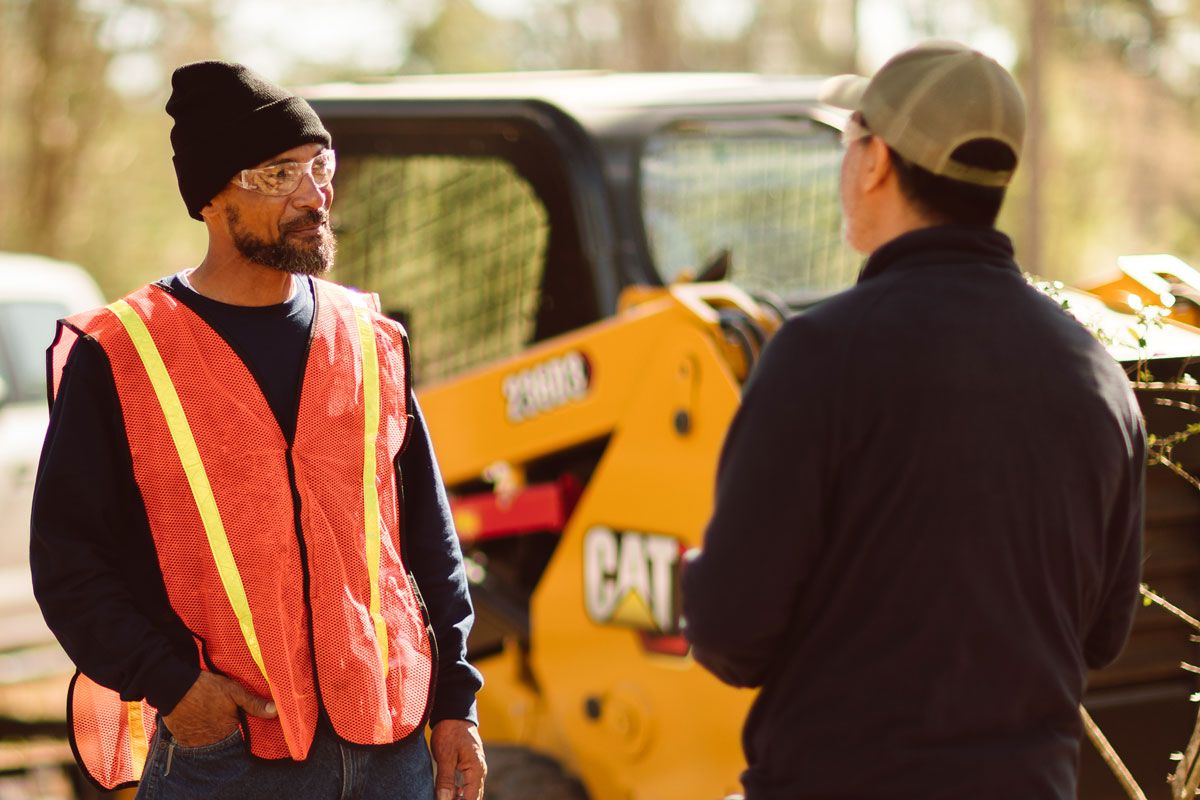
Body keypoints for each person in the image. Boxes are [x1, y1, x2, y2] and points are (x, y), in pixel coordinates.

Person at [681, 41, 1145, 800]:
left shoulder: (819, 355)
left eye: (848, 140)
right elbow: (1103, 634)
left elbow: (734, 635)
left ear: (876, 161)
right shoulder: (1095, 374)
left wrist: (697, 579)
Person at [31, 61, 485, 800]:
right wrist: (175, 688)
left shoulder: (369, 338)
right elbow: (70, 563)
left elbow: (427, 542)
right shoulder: (123, 354)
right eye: (279, 174)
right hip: (230, 759)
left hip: (393, 752)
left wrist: (456, 705)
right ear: (212, 197)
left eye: (320, 165)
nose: (315, 195)